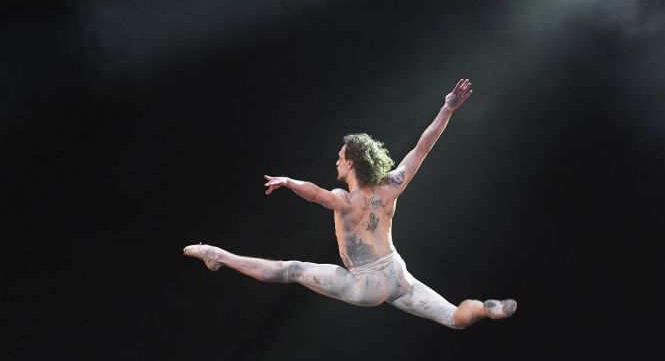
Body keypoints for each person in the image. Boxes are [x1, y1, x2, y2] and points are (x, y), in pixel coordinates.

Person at [184, 79, 516, 329]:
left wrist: (287, 182)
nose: (338, 162)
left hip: (366, 283)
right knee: (454, 317)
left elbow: (315, 193)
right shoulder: (391, 186)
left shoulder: (345, 199)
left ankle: (217, 255)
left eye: (342, 158)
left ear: (353, 163)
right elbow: (422, 147)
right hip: (397, 274)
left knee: (292, 270)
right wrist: (447, 108)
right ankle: (486, 309)